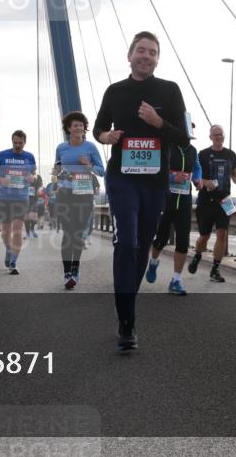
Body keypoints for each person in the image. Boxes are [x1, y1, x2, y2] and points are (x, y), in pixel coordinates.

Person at [93, 31, 188, 351]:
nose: (146, 56)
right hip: (122, 178)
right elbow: (98, 128)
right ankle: (127, 323)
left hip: (154, 182)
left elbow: (184, 138)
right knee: (127, 242)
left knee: (143, 245)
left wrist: (158, 122)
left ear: (157, 59)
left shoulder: (169, 91)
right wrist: (107, 138)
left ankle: (126, 303)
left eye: (152, 52)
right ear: (130, 55)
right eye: (141, 51)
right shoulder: (115, 91)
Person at [145, 130, 202, 295]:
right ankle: (153, 262)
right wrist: (171, 178)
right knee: (160, 239)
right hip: (166, 199)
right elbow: (155, 169)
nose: (186, 134)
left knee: (183, 241)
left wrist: (197, 179)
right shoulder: (166, 147)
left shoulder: (192, 150)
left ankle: (176, 280)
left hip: (184, 201)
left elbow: (197, 167)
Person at [53, 111, 105, 289]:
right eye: (75, 125)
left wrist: (88, 165)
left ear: (84, 128)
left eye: (81, 125)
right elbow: (56, 168)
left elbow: (101, 171)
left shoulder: (91, 147)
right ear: (68, 128)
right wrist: (57, 176)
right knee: (68, 233)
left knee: (77, 235)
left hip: (84, 195)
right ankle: (67, 272)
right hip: (65, 195)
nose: (78, 128)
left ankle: (75, 268)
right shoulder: (61, 148)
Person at [186, 124, 236, 283]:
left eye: (221, 134)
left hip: (224, 201)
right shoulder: (202, 155)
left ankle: (215, 269)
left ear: (224, 136)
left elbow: (234, 172)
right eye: (215, 135)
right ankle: (197, 255)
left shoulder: (231, 155)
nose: (218, 137)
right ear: (210, 137)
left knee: (222, 234)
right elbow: (194, 177)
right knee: (204, 236)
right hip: (206, 201)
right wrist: (206, 182)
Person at [0, 131, 37, 274]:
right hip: (4, 198)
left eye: (20, 143)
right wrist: (0, 180)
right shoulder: (2, 155)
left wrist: (32, 178)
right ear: (12, 141)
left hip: (21, 198)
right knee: (5, 232)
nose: (17, 145)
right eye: (15, 142)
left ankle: (13, 262)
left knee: (17, 230)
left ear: (25, 142)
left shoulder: (29, 157)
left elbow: (35, 174)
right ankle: (9, 249)